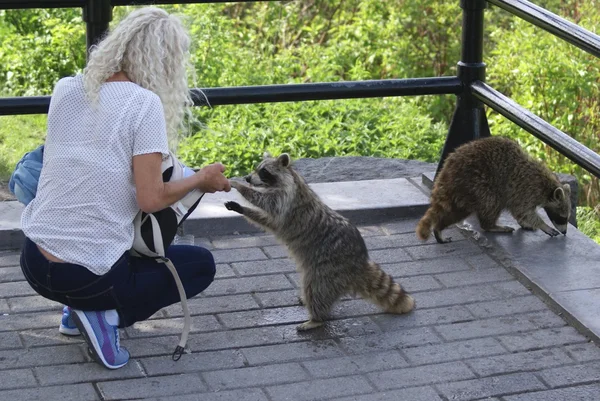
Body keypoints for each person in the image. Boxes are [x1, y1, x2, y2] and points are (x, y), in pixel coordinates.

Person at [18, 7, 231, 370]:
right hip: (88, 277)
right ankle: (103, 316)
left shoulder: (66, 88)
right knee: (200, 265)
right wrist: (201, 180)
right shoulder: (142, 103)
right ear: (164, 61)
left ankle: (75, 312)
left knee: (100, 230)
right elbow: (150, 200)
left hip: (34, 261)